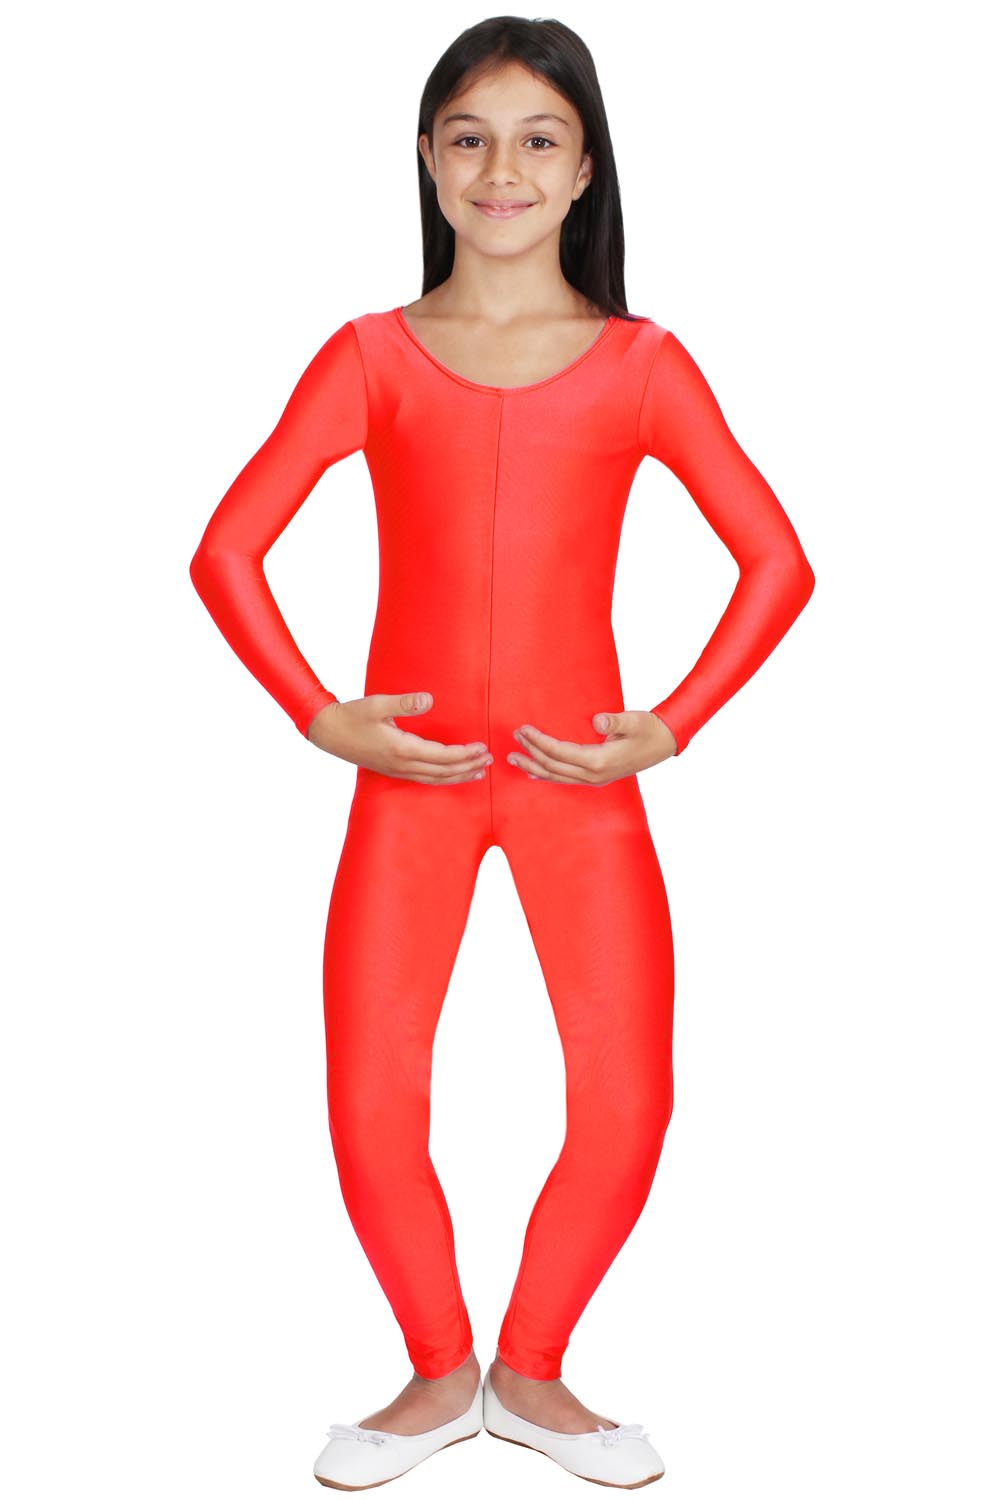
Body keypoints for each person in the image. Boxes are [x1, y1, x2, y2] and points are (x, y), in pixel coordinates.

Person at [189, 16, 815, 1491]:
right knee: (369, 1097)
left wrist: (671, 723)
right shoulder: (370, 356)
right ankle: (434, 1370)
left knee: (627, 1099)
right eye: (468, 138)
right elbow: (225, 550)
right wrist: (318, 711)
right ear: (427, 158)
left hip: (573, 788)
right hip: (405, 788)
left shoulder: (643, 365)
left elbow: (779, 562)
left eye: (540, 139)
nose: (501, 169)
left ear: (587, 168)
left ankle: (531, 1368)